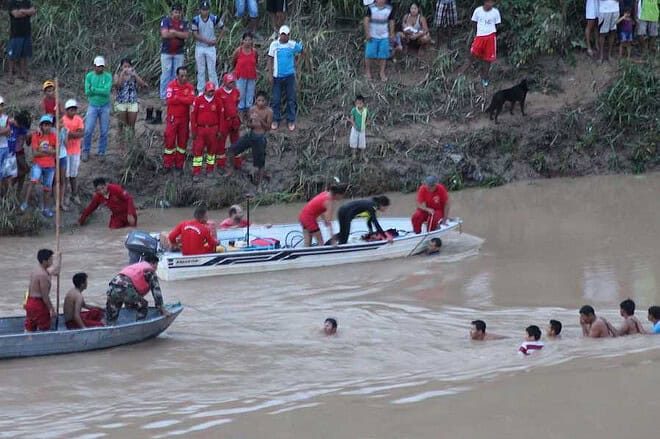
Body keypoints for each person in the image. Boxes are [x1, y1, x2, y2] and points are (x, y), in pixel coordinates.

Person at [225, 91, 274, 191]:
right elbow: (248, 124)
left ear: (266, 102)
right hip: (250, 135)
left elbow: (268, 127)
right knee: (231, 150)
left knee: (260, 163)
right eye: (259, 100)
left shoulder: (269, 111)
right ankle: (231, 170)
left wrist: (260, 119)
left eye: (263, 101)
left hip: (260, 137)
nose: (260, 103)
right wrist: (251, 122)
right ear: (256, 100)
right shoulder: (252, 109)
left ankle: (259, 185)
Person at [105, 254, 171, 325]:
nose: (156, 268)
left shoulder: (136, 266)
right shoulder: (150, 270)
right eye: (156, 266)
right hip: (125, 288)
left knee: (112, 316)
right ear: (153, 264)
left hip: (112, 288)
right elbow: (156, 290)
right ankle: (139, 325)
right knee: (143, 304)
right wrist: (161, 308)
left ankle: (109, 326)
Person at [267, 25, 304, 132]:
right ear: (280, 34)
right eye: (283, 34)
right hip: (277, 76)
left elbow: (302, 51)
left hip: (289, 76)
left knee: (291, 99)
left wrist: (297, 63)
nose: (285, 36)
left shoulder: (292, 44)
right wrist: (270, 75)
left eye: (287, 35)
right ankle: (275, 120)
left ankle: (291, 120)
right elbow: (270, 60)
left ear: (289, 35)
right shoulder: (274, 44)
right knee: (276, 100)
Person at [21, 115, 56, 217]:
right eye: (45, 124)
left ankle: (46, 208)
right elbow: (35, 153)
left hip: (50, 165)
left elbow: (56, 152)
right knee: (33, 181)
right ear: (41, 125)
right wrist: (49, 151)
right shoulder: (36, 135)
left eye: (48, 124)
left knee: (47, 188)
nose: (47, 127)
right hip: (38, 164)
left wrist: (43, 150)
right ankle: (25, 203)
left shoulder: (53, 136)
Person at [164, 66, 195, 172]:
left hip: (184, 119)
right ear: (177, 76)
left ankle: (179, 165)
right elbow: (169, 100)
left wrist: (178, 97)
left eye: (186, 76)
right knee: (169, 142)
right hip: (172, 119)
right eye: (182, 76)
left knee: (182, 143)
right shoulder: (171, 85)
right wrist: (183, 99)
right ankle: (168, 164)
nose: (184, 78)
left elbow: (191, 100)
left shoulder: (190, 87)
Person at [82, 56, 113, 161]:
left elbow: (106, 92)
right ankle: (85, 151)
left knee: (104, 131)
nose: (100, 68)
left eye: (101, 66)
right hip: (93, 105)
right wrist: (100, 90)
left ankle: (101, 152)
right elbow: (87, 91)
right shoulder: (89, 76)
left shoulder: (108, 76)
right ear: (94, 66)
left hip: (105, 105)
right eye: (98, 66)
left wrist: (94, 89)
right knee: (88, 130)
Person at [113, 58, 148, 148]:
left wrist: (135, 74)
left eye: (128, 66)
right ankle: (121, 145)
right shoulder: (117, 75)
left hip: (132, 102)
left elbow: (142, 85)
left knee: (131, 126)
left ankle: (131, 145)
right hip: (121, 103)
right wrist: (122, 75)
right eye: (125, 66)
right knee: (122, 125)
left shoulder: (133, 75)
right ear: (121, 67)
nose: (127, 68)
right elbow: (118, 86)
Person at [191, 81, 222, 180]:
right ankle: (196, 172)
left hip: (213, 129)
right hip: (200, 129)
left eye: (213, 91)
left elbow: (221, 117)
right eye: (209, 91)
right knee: (198, 151)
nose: (211, 93)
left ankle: (210, 170)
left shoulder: (218, 101)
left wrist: (220, 130)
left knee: (211, 152)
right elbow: (193, 116)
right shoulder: (198, 100)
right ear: (205, 91)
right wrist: (193, 130)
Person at [192, 1, 224, 94]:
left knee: (212, 70)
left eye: (206, 10)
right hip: (200, 47)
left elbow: (223, 28)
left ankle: (215, 90)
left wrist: (217, 40)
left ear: (209, 10)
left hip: (210, 48)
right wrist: (208, 41)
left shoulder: (214, 18)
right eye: (203, 10)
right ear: (200, 10)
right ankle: (201, 91)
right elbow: (195, 34)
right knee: (201, 70)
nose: (205, 12)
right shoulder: (196, 19)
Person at [25, 249, 61, 332]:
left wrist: (59, 258)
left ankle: (28, 339)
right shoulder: (43, 275)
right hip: (38, 304)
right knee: (44, 327)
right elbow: (45, 296)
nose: (52, 261)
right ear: (45, 261)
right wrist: (52, 310)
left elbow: (56, 271)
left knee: (30, 327)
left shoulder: (36, 270)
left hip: (29, 302)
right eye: (51, 259)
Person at [159, 3, 190, 100]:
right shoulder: (166, 21)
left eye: (179, 12)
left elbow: (186, 35)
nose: (177, 14)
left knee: (177, 75)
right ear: (172, 12)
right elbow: (164, 34)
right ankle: (164, 96)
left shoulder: (184, 22)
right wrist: (178, 34)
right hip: (166, 52)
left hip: (179, 52)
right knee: (166, 74)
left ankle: (174, 94)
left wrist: (174, 32)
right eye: (175, 12)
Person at [469, 0, 501, 88]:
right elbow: (473, 22)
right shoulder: (478, 11)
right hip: (479, 36)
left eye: (492, 2)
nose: (490, 4)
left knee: (488, 59)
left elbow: (498, 25)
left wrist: (490, 31)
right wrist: (479, 32)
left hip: (490, 37)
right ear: (484, 2)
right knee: (473, 54)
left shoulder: (495, 12)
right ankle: (465, 73)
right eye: (488, 2)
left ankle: (485, 78)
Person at [364, 0, 395, 82]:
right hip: (372, 36)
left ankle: (382, 73)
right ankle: (368, 72)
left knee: (383, 55)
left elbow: (391, 21)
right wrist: (367, 34)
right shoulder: (371, 7)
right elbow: (366, 20)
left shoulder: (389, 8)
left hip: (384, 36)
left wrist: (392, 33)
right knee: (369, 54)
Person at [216, 73, 242, 170]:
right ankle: (221, 164)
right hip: (224, 121)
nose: (232, 84)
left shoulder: (236, 91)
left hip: (234, 120)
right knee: (221, 143)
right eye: (230, 82)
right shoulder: (219, 92)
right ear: (224, 83)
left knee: (236, 141)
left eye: (233, 82)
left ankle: (237, 163)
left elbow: (236, 103)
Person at [61, 99, 84, 207]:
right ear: (66, 110)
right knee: (66, 175)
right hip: (65, 152)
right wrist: (73, 134)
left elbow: (81, 133)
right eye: (71, 110)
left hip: (75, 151)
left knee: (73, 174)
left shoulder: (78, 119)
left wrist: (70, 134)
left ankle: (74, 194)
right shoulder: (62, 120)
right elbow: (65, 135)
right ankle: (66, 195)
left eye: (74, 110)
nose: (73, 112)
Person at [7, 0, 37, 82]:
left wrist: (22, 11)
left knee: (24, 55)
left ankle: (23, 73)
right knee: (12, 55)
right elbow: (16, 14)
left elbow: (33, 11)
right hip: (15, 33)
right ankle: (10, 75)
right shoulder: (12, 2)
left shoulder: (27, 2)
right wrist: (28, 12)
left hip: (26, 32)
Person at [232, 32, 259, 117]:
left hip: (251, 76)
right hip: (240, 76)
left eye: (249, 40)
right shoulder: (238, 51)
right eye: (246, 40)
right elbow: (233, 61)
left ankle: (249, 113)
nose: (247, 42)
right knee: (241, 94)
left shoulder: (254, 51)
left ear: (252, 41)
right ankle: (240, 114)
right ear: (243, 41)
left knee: (250, 94)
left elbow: (256, 61)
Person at [7, 109, 31, 195]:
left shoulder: (23, 128)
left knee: (23, 172)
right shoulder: (10, 123)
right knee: (14, 174)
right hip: (11, 153)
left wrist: (28, 137)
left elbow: (28, 142)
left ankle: (16, 193)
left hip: (19, 152)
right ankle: (9, 193)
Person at [348, 95, 368, 161]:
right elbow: (352, 119)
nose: (359, 105)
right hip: (355, 129)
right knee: (353, 142)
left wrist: (366, 125)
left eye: (360, 103)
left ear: (363, 103)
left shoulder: (365, 110)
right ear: (355, 103)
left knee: (362, 143)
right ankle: (354, 155)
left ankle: (362, 155)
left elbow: (368, 119)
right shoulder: (354, 110)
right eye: (357, 103)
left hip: (362, 129)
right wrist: (355, 126)